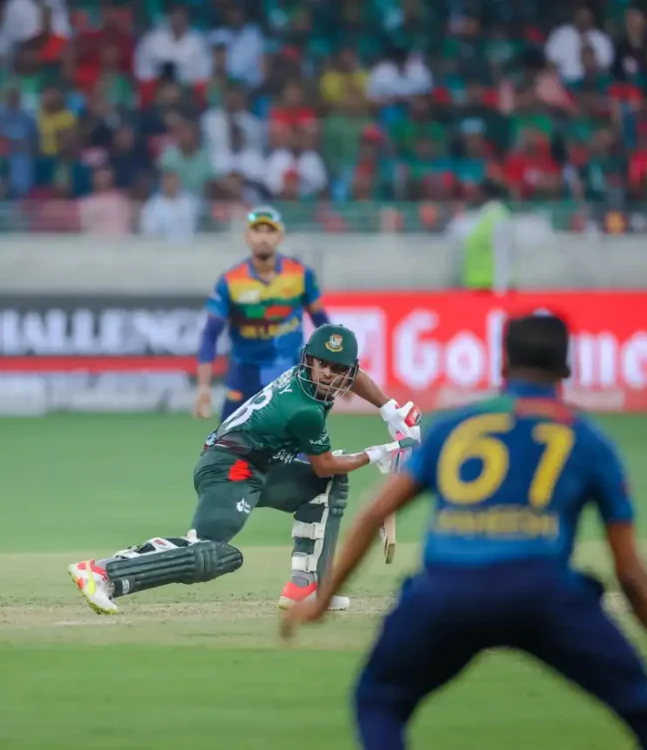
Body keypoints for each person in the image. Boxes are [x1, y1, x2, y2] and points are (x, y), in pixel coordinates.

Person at [282, 314, 647, 749]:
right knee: (638, 704)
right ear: (567, 370)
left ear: (503, 366)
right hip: (543, 595)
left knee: (378, 700)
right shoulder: (589, 440)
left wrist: (322, 601)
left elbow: (370, 513)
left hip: (445, 594)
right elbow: (628, 572)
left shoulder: (456, 427)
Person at [69, 324, 419, 615]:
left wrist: (388, 407)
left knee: (326, 486)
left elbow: (348, 388)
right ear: (309, 361)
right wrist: (377, 454)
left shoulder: (308, 381)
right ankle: (103, 572)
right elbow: (324, 462)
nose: (330, 375)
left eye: (339, 369)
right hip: (230, 468)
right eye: (323, 365)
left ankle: (309, 586)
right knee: (211, 553)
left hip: (262, 465)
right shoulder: (304, 410)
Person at [193, 206, 329, 423]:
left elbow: (323, 325)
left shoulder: (301, 275)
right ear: (247, 236)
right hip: (244, 381)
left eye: (269, 231)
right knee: (226, 454)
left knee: (300, 456)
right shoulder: (230, 281)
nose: (263, 238)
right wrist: (203, 387)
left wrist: (337, 369)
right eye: (257, 231)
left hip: (291, 381)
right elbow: (210, 334)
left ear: (280, 236)